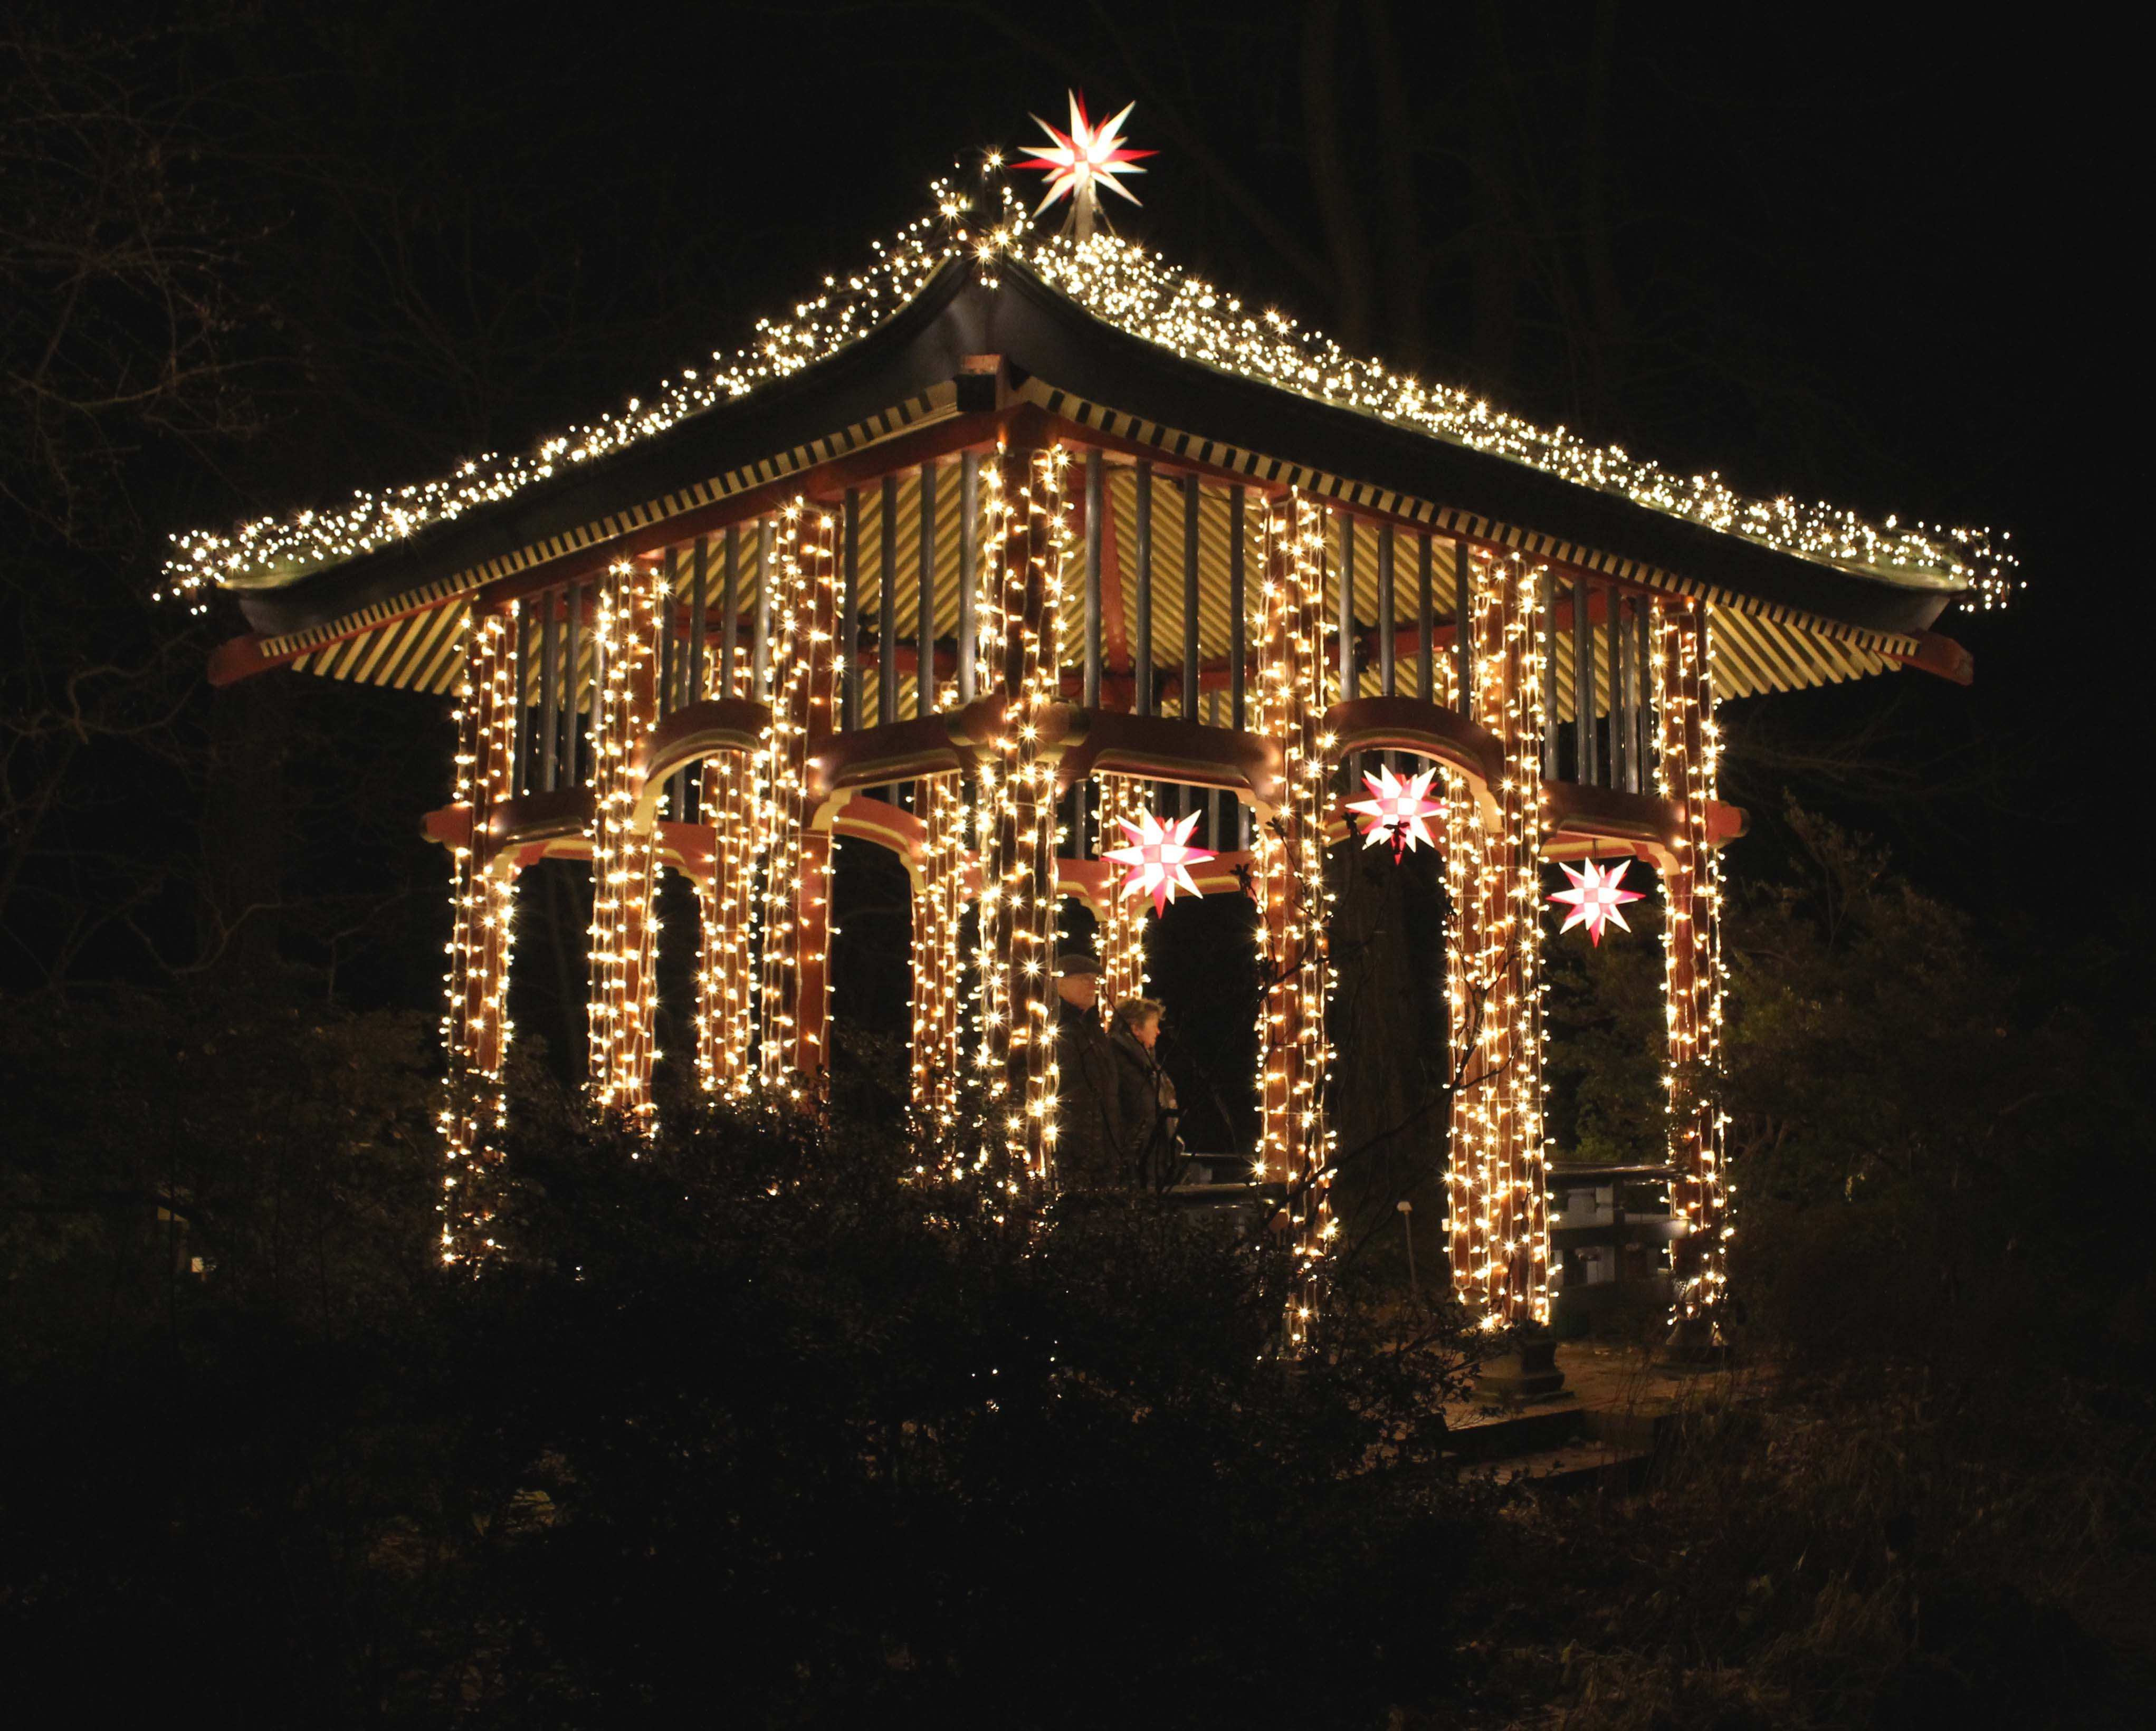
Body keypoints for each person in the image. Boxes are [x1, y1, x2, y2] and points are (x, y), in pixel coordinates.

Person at [1051, 951, 1122, 1190]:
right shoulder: (1052, 1028)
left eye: (1096, 980)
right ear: (1060, 983)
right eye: (1084, 979)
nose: (1093, 986)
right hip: (1070, 1144)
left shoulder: (1095, 1029)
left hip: (1104, 1144)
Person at [1109, 997, 1181, 1191]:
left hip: (1147, 1162)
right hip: (1134, 1166)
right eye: (1154, 1025)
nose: (1158, 1032)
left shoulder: (1145, 1065)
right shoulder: (1118, 1062)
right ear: (1136, 1029)